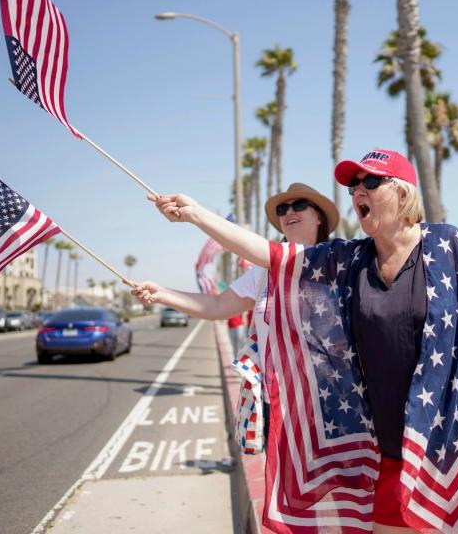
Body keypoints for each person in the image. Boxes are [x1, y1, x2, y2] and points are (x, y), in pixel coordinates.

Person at [149, 149, 458, 534]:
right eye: (354, 186)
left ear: (404, 193)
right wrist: (196, 214)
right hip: (391, 453)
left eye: (371, 182)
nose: (359, 192)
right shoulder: (347, 259)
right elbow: (270, 255)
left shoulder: (450, 245)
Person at [132, 182, 339, 452]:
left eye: (299, 205)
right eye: (282, 208)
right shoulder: (263, 272)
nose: (289, 211)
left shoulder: (338, 260)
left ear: (319, 216)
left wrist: (194, 213)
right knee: (283, 489)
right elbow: (217, 306)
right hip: (277, 403)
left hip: (329, 402)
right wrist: (162, 294)